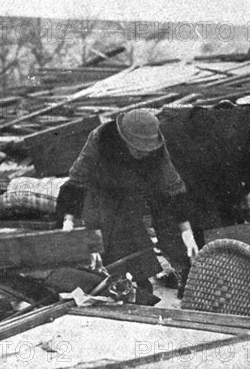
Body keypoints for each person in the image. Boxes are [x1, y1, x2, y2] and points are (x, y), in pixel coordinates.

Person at [55, 109, 198, 295]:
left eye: (146, 150)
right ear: (124, 138)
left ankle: (139, 283)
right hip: (99, 191)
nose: (142, 153)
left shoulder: (157, 149)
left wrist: (187, 233)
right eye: (137, 148)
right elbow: (77, 181)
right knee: (99, 247)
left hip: (132, 193)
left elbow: (173, 188)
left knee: (133, 241)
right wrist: (69, 222)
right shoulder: (100, 139)